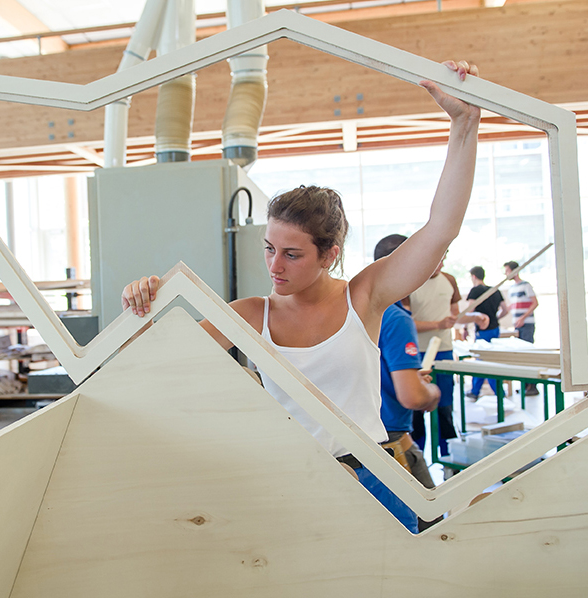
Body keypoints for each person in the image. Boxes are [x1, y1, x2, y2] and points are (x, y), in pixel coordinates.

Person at [122, 60, 481, 534]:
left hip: (373, 478)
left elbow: (440, 229)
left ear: (329, 254)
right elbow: (156, 368)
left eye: (292, 254)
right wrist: (140, 307)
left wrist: (464, 125)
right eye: (270, 249)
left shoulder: (365, 296)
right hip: (292, 481)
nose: (274, 266)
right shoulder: (250, 314)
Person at [374, 234, 443, 531]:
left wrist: (406, 376)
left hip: (348, 442)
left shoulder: (350, 310)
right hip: (391, 444)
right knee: (432, 528)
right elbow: (412, 398)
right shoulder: (395, 317)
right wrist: (430, 392)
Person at [402, 251, 489, 457]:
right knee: (415, 410)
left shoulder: (449, 280)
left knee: (444, 407)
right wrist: (437, 324)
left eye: (444, 258)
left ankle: (449, 457)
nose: (441, 263)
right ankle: (417, 459)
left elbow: (454, 317)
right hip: (415, 353)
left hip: (444, 352)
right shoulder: (409, 281)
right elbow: (405, 322)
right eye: (437, 258)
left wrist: (475, 317)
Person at [465, 265, 509, 400]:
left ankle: (478, 391)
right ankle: (496, 392)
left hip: (482, 331)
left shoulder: (475, 291)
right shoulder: (494, 290)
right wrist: (495, 319)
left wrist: (465, 328)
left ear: (473, 277)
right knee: (492, 360)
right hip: (495, 329)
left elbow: (470, 312)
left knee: (482, 362)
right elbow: (505, 310)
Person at [503, 260, 539, 395]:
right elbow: (510, 307)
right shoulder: (512, 289)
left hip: (527, 324)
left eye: (507, 271)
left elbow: (535, 303)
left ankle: (533, 386)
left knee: (529, 355)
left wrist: (523, 318)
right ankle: (525, 385)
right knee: (521, 357)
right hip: (517, 325)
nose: (506, 274)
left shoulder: (526, 285)